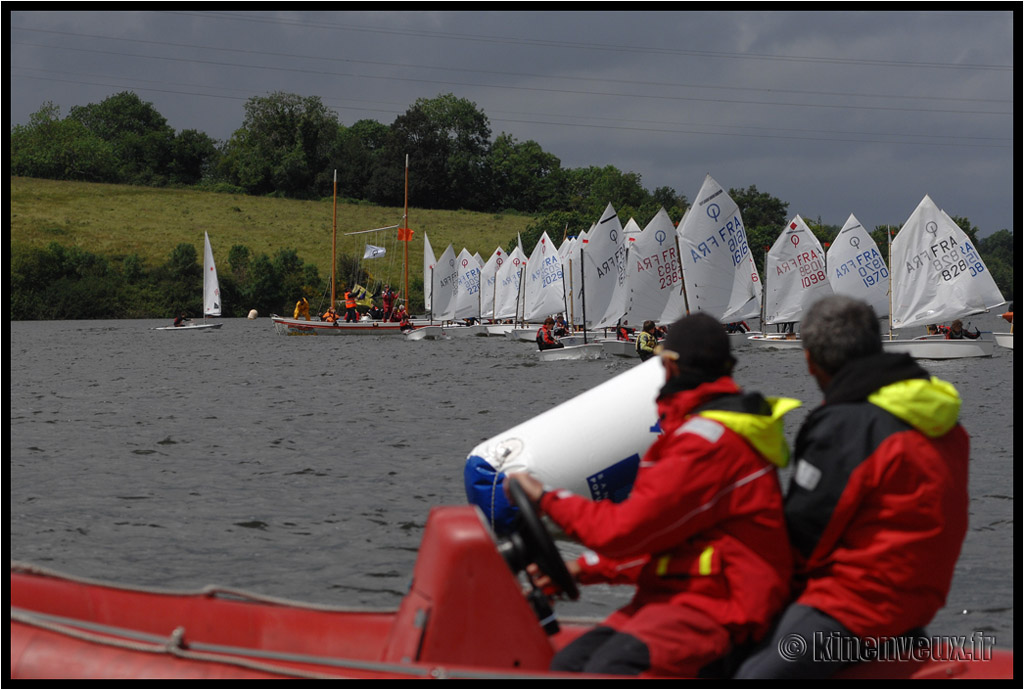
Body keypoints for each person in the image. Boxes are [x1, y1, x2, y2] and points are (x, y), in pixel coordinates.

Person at [508, 313, 799, 677]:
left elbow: (622, 531)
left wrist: (544, 497)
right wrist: (582, 568)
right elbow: (661, 538)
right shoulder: (701, 431)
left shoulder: (705, 443)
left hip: (722, 608)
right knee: (570, 664)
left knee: (609, 669)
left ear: (672, 367)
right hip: (679, 597)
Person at [734, 295, 969, 679]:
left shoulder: (846, 424)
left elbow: (804, 534)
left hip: (853, 612)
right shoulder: (941, 416)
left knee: (748, 672)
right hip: (915, 606)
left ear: (811, 360)